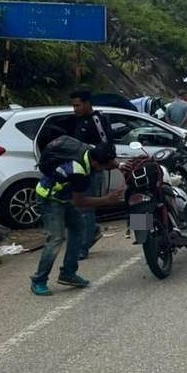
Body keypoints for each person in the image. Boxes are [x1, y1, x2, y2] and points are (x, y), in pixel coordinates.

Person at [30, 142, 122, 296]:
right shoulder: (78, 172)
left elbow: (108, 162)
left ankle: (68, 273)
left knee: (79, 228)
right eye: (105, 166)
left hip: (63, 196)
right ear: (96, 163)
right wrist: (107, 200)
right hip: (50, 198)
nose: (106, 169)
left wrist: (120, 165)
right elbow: (80, 202)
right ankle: (39, 280)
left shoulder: (89, 151)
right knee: (56, 239)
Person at [69, 89, 114, 260]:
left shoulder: (96, 119)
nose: (75, 109)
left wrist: (101, 161)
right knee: (81, 207)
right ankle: (92, 231)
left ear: (87, 103)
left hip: (93, 170)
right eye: (73, 106)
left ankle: (83, 247)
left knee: (86, 208)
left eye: (78, 105)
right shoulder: (78, 120)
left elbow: (105, 144)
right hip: (79, 170)